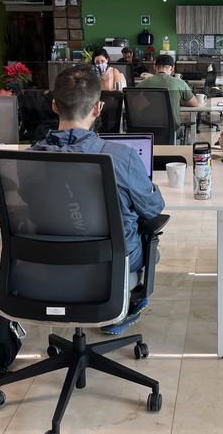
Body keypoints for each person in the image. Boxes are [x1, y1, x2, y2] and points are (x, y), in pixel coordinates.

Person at [31, 65, 165, 333]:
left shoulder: (29, 158)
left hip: (48, 259)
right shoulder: (120, 156)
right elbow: (153, 209)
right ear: (98, 108)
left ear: (55, 106)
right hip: (111, 260)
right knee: (152, 245)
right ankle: (126, 303)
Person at [135, 54, 199, 136]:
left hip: (147, 130)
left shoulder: (142, 83)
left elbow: (135, 105)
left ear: (154, 67)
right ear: (172, 68)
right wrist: (176, 100)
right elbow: (195, 104)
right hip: (172, 130)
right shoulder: (180, 83)